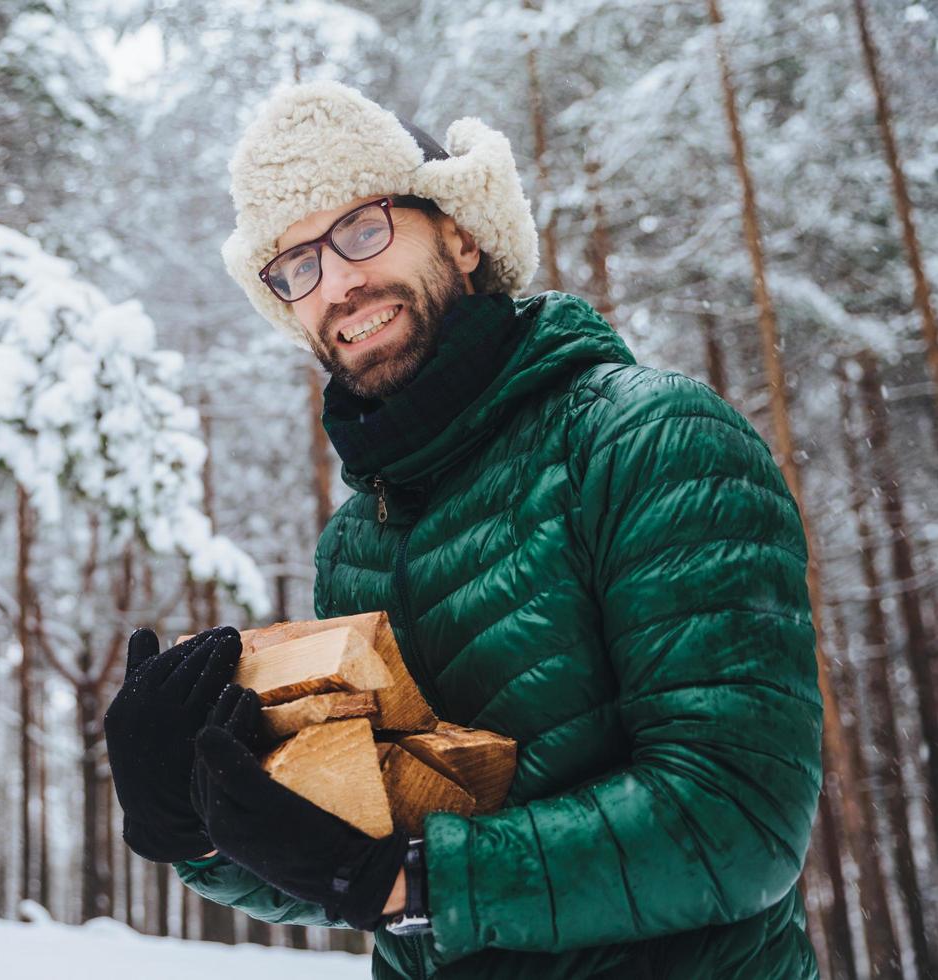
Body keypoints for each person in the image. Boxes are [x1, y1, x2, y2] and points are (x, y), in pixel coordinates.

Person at [103, 80, 822, 979]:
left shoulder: (647, 438)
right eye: (296, 265)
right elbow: (355, 863)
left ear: (461, 231)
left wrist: (406, 880)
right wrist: (197, 828)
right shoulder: (355, 543)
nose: (338, 282)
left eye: (362, 227)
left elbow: (738, 820)